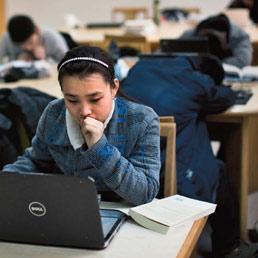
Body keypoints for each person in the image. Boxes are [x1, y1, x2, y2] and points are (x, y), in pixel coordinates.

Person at [121, 55, 258, 257]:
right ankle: (229, 248)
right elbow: (223, 98)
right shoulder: (197, 82)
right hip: (170, 172)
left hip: (128, 163)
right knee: (216, 170)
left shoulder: (142, 67)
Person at [3, 45, 161, 206]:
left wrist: (100, 148)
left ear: (114, 88)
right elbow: (35, 161)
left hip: (122, 212)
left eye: (95, 99)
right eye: (72, 100)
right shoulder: (54, 113)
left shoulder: (142, 120)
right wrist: (6, 181)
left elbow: (145, 193)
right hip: (66, 209)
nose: (85, 111)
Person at [180, 14, 253, 68]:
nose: (210, 39)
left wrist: (211, 65)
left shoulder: (238, 36)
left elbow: (242, 61)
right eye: (206, 36)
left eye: (214, 36)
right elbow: (174, 57)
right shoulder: (191, 35)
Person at [0, 15, 68, 63]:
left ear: (37, 30)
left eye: (30, 42)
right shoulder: (7, 38)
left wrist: (45, 60)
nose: (28, 48)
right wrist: (16, 62)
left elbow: (68, 64)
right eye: (21, 46)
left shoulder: (52, 38)